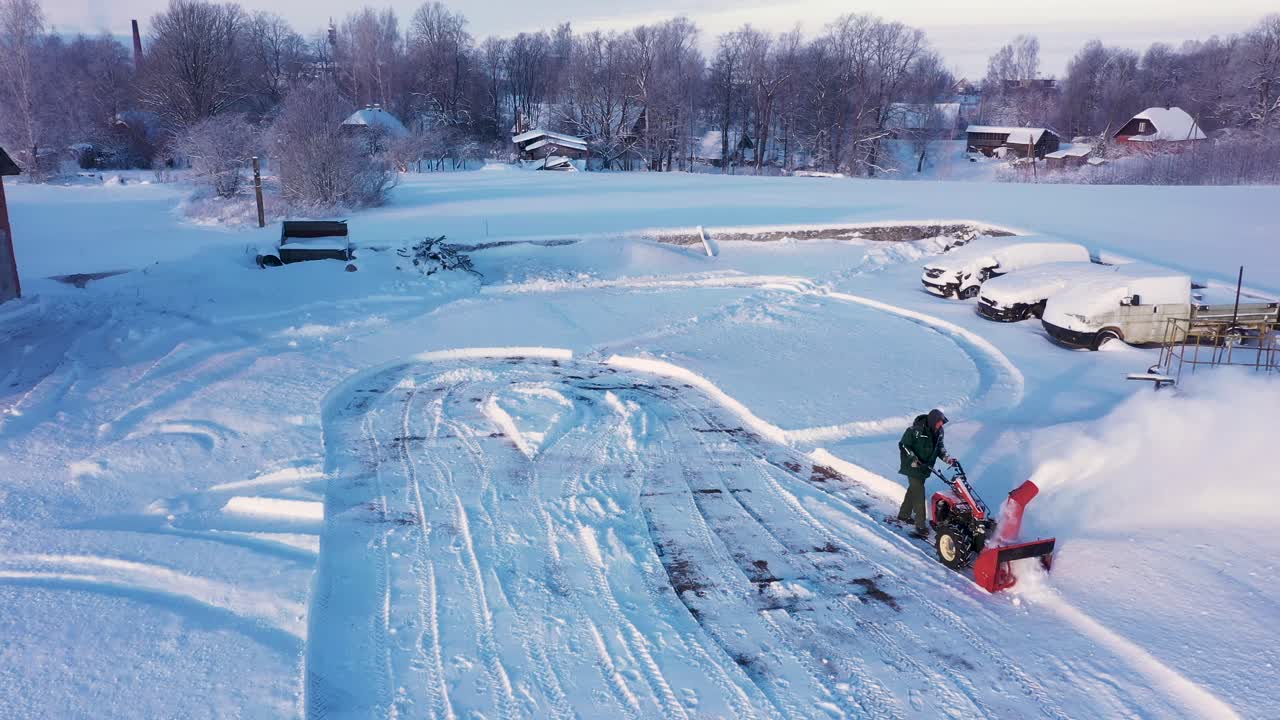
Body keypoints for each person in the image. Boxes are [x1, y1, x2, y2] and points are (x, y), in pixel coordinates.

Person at [896, 408, 955, 539]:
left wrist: (948, 459)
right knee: (919, 494)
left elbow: (940, 448)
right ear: (933, 420)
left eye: (942, 422)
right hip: (912, 466)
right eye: (939, 422)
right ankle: (920, 525)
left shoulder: (939, 432)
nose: (941, 424)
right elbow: (904, 445)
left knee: (913, 490)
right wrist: (914, 458)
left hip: (925, 467)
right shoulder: (915, 430)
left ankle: (903, 515)